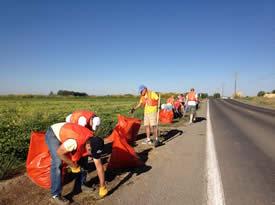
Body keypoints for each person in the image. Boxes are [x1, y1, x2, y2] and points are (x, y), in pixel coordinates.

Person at [45, 122, 107, 205]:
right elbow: (60, 152)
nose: (92, 155)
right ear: (88, 146)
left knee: (84, 159)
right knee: (57, 163)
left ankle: (82, 184)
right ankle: (55, 196)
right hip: (54, 133)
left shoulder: (94, 142)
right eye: (91, 152)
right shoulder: (74, 142)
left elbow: (99, 166)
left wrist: (103, 186)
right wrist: (73, 165)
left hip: (70, 133)